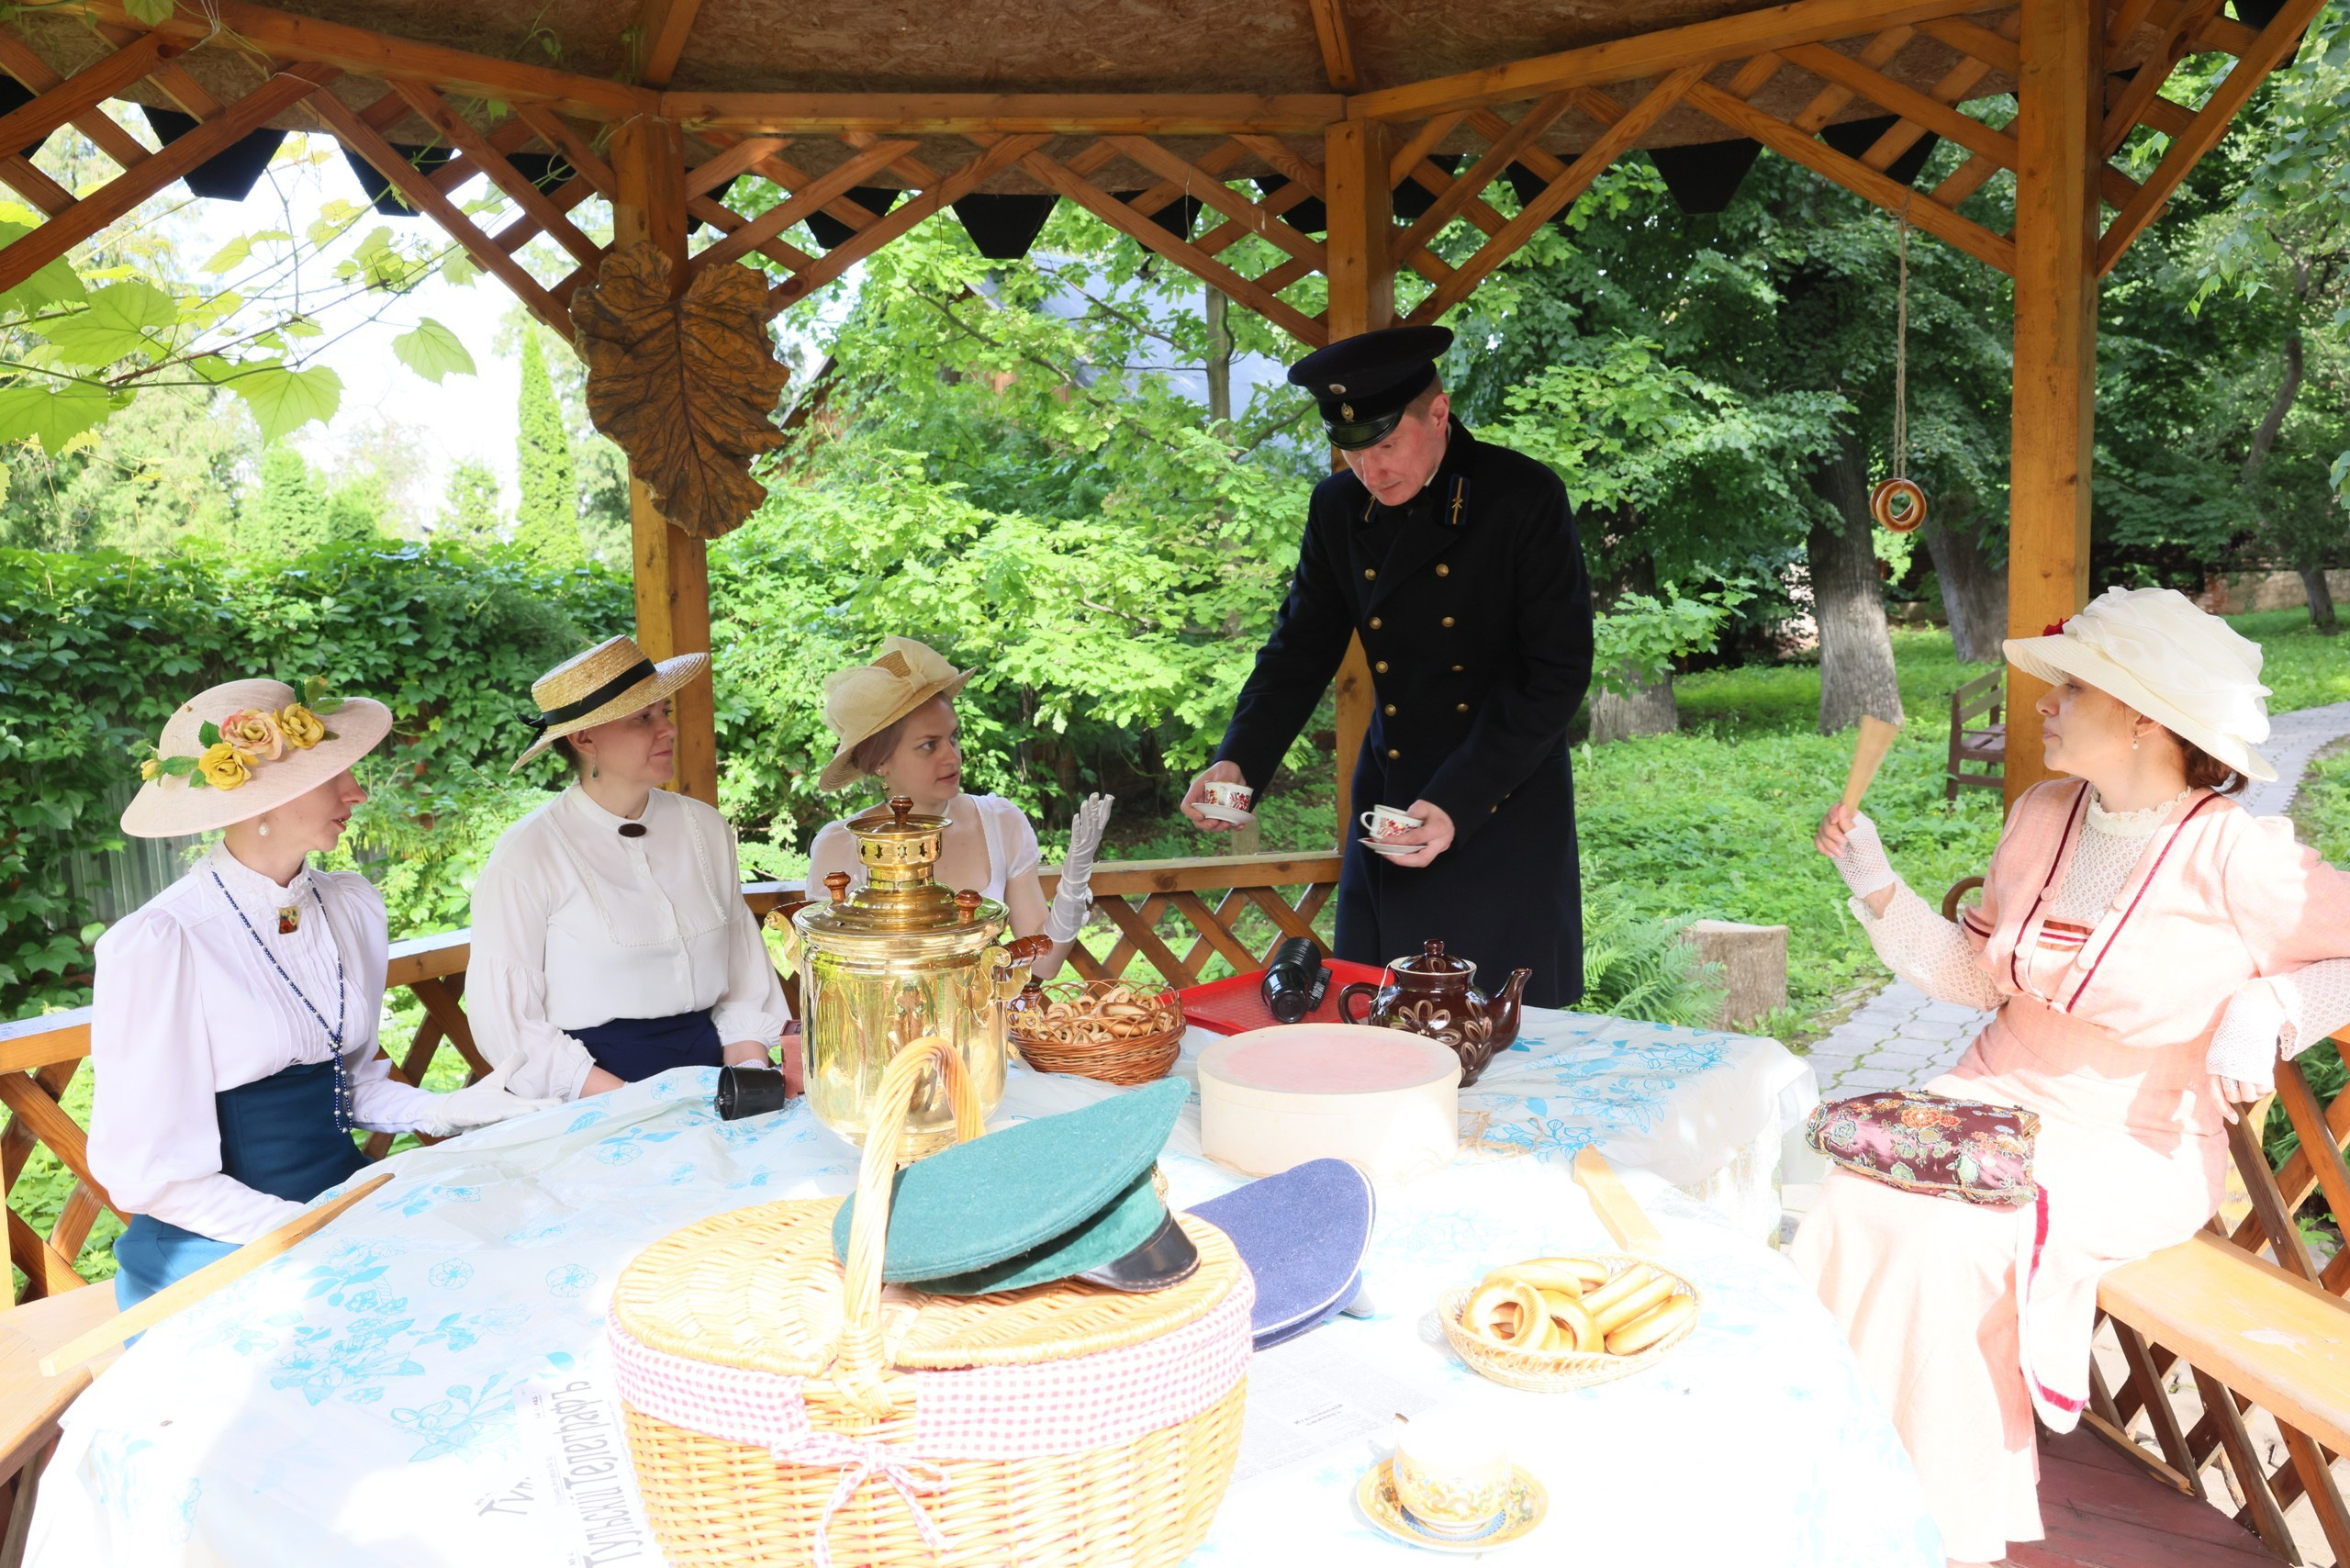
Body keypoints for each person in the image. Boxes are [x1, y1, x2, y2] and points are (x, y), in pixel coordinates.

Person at [1796, 587, 2350, 1566]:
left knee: (1952, 1239)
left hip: (2131, 1137)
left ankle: (1939, 1525)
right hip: (1992, 1090)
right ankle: (1833, 1483)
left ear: (2142, 715)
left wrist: (2269, 1010)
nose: (2042, 699)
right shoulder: (2043, 813)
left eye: (2071, 684)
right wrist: (1875, 882)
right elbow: (1977, 979)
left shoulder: (2236, 854)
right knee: (1851, 1197)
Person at [90, 678, 553, 1308]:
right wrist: (305, 1233)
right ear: (259, 802)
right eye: (332, 776)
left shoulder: (348, 906)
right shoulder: (163, 942)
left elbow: (349, 1082)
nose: (356, 792)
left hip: (345, 1204)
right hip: (224, 1248)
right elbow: (154, 1179)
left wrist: (445, 1109)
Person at [1182, 325, 1594, 1006]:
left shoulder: (1522, 496)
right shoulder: (1338, 508)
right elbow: (1299, 649)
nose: (1370, 472)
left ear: (1439, 414)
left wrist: (1458, 801)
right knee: (1380, 1017)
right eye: (1350, 452)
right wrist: (1240, 761)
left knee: (1499, 1028)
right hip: (1392, 799)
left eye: (1385, 445)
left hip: (1501, 800)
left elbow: (1554, 675)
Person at [468, 636, 793, 1099]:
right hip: (591, 1097)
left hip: (717, 1081)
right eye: (644, 718)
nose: (667, 730)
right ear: (584, 739)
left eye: (665, 712)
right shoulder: (527, 855)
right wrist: (631, 1104)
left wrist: (748, 1080)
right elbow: (510, 1027)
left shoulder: (705, 828)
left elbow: (743, 982)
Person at [808, 636, 1111, 981]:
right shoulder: (841, 845)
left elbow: (1043, 964)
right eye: (928, 745)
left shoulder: (1000, 823)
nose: (952, 756)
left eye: (953, 737)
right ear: (880, 762)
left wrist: (1072, 884)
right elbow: (832, 979)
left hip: (990, 1030)